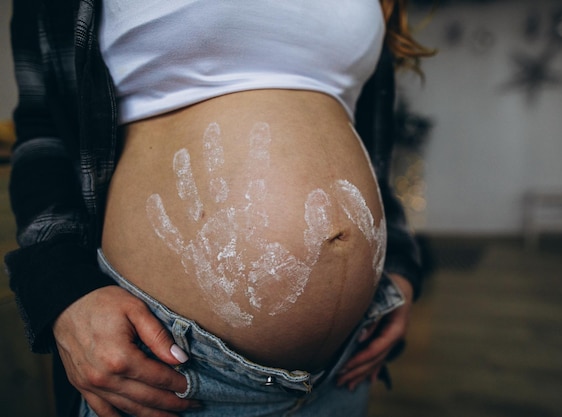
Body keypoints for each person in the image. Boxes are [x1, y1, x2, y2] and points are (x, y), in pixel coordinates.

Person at [6, 0, 434, 416]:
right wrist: (63, 293)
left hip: (347, 366)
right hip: (174, 366)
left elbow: (373, 141)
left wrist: (398, 263)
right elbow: (44, 127)